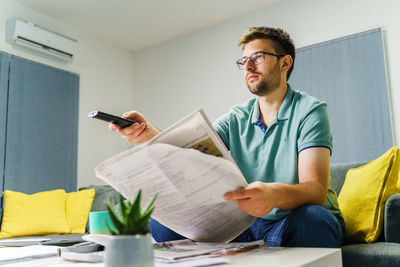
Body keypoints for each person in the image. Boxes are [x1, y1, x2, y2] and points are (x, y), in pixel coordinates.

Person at [109, 27, 345, 248]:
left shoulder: (310, 110)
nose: (248, 67)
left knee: (314, 218)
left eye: (258, 57)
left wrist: (273, 195)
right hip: (247, 225)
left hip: (291, 220)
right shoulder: (236, 117)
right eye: (244, 61)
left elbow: (314, 191)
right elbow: (188, 149)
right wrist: (146, 131)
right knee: (163, 224)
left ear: (285, 62)